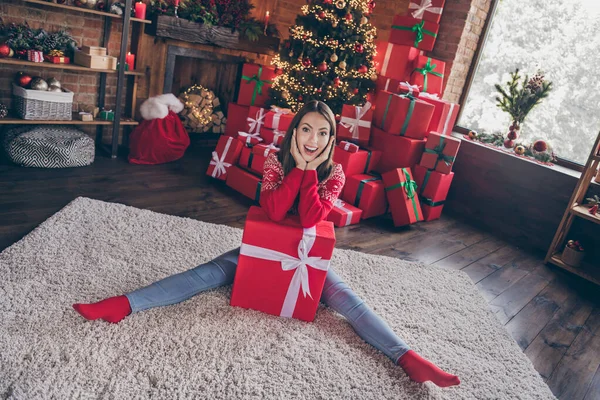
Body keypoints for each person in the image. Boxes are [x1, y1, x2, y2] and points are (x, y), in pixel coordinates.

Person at [73, 100, 460, 388]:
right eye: (306, 130)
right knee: (207, 274)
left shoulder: (336, 172)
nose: (314, 139)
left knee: (348, 301)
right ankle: (122, 305)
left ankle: (408, 358)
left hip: (305, 260)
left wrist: (310, 171)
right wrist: (297, 169)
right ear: (295, 133)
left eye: (323, 133)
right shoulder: (276, 161)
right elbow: (274, 212)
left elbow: (311, 219)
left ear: (331, 139)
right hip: (263, 251)